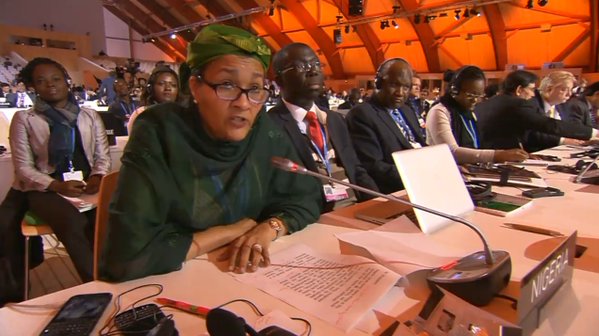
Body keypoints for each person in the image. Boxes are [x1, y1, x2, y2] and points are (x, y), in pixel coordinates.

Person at [100, 24, 322, 282]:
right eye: (227, 85)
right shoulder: (160, 132)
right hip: (174, 281)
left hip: (249, 277)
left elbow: (305, 199)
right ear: (195, 86)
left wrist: (268, 228)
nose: (243, 102)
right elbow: (127, 255)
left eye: (255, 89)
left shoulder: (264, 133)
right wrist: (232, 231)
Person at [0, 58, 111, 303]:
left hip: (85, 186)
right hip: (43, 189)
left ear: (67, 82)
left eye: (55, 79)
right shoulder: (24, 118)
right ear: (32, 87)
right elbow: (23, 168)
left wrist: (97, 175)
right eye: (41, 81)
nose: (50, 85)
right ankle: (97, 286)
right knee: (72, 223)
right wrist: (56, 185)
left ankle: (113, 274)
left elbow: (102, 156)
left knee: (104, 220)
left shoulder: (90, 116)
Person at [268, 43, 378, 211]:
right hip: (317, 216)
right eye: (301, 67)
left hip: (357, 208)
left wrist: (379, 203)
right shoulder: (270, 126)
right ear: (279, 80)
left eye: (316, 64)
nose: (313, 71)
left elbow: (356, 169)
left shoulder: (335, 120)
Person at [346, 58, 425, 194]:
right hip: (396, 189)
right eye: (394, 84)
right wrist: (417, 175)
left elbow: (420, 145)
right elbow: (373, 166)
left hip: (423, 181)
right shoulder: (362, 114)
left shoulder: (407, 110)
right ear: (378, 83)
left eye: (406, 87)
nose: (400, 92)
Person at [426, 66, 528, 164]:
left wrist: (516, 156)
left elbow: (479, 147)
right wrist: (498, 155)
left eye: (478, 95)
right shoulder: (439, 112)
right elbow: (451, 152)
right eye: (470, 95)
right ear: (454, 91)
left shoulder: (469, 113)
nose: (475, 100)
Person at [475, 70, 597, 150]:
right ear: (519, 90)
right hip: (503, 159)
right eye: (532, 89)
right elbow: (550, 125)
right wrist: (593, 133)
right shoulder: (518, 105)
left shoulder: (487, 103)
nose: (533, 95)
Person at [526, 71, 586, 151]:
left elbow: (565, 128)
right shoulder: (531, 103)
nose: (569, 94)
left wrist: (584, 139)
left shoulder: (562, 104)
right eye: (564, 90)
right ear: (549, 89)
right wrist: (563, 141)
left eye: (571, 90)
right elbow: (533, 135)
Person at [127, 65, 179, 133]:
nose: (168, 88)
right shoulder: (141, 114)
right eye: (161, 84)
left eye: (173, 85)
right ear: (150, 88)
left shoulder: (181, 115)